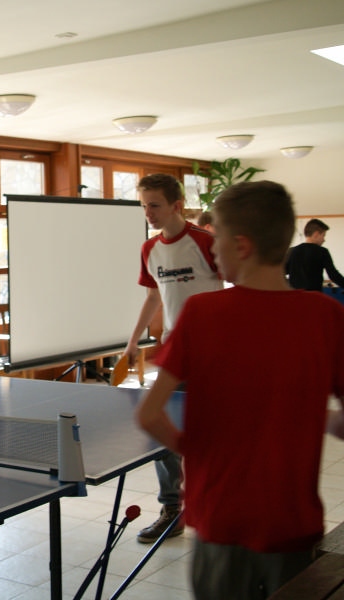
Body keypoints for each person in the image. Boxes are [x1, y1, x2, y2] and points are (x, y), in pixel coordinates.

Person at [136, 180, 344, 599]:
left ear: (242, 245)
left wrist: (196, 451)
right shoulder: (326, 315)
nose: (212, 250)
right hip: (292, 521)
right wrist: (319, 417)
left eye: (218, 241)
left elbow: (149, 414)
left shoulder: (201, 312)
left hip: (220, 517)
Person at [122, 173, 223, 544]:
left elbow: (233, 286)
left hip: (212, 357)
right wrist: (133, 341)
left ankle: (217, 506)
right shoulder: (150, 249)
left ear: (176, 205)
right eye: (144, 205)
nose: (148, 213)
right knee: (160, 435)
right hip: (173, 357)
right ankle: (172, 510)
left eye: (155, 205)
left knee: (216, 435)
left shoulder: (205, 242)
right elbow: (153, 297)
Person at [285, 218, 344, 291]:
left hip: (295, 295)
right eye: (323, 235)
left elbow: (282, 272)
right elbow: (333, 275)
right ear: (316, 234)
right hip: (314, 295)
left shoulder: (292, 251)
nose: (324, 240)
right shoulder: (322, 252)